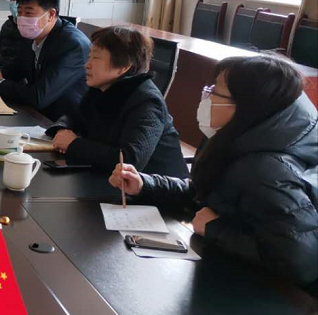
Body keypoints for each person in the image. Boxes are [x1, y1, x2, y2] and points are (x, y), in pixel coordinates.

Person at [110, 55, 318, 288]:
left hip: (272, 298)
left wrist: (215, 230)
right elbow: (206, 194)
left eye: (214, 92)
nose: (206, 97)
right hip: (232, 274)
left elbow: (302, 262)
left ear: (246, 106)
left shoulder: (268, 170)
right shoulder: (236, 139)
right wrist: (145, 184)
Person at [47, 25, 188, 178]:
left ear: (124, 66)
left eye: (96, 58)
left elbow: (130, 160)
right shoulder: (101, 88)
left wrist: (74, 144)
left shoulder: (147, 102)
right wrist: (62, 130)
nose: (87, 65)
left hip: (155, 188)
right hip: (106, 179)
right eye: (89, 57)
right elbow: (75, 117)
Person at [0, 0, 89, 121]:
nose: (22, 18)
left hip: (62, 122)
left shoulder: (72, 45)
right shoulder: (33, 35)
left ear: (51, 14)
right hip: (34, 115)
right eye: (20, 12)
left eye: (29, 13)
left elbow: (39, 97)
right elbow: (15, 69)